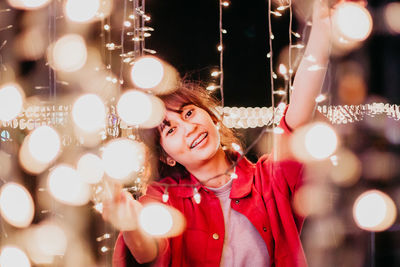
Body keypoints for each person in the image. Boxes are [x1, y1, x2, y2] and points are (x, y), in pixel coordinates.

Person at [103, 0, 332, 266]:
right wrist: (131, 225)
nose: (190, 128)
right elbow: (148, 252)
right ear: (166, 157)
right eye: (171, 129)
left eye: (189, 113)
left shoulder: (269, 181)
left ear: (212, 116)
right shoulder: (163, 199)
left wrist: (323, 25)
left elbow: (300, 112)